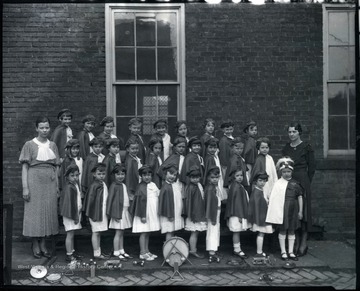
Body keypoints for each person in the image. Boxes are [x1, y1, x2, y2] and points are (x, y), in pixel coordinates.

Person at [20, 116, 61, 258]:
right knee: (35, 213)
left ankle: (43, 243)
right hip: (34, 181)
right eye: (42, 127)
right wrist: (25, 187)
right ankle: (35, 244)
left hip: (49, 183)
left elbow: (56, 168)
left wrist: (57, 186)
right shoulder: (29, 145)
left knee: (48, 212)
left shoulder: (53, 145)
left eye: (47, 127)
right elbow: (25, 168)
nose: (44, 130)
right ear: (36, 128)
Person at [281, 122, 315, 256]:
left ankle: (303, 242)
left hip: (303, 179)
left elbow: (312, 167)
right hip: (290, 180)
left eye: (294, 132)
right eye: (289, 132)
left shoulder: (306, 147)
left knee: (304, 210)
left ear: (299, 133)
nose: (291, 134)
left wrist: (306, 182)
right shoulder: (286, 148)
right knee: (292, 208)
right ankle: (294, 240)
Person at [266, 158, 303, 261]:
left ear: (292, 172)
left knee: (292, 230)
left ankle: (291, 251)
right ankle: (283, 251)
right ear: (281, 172)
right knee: (283, 230)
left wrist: (300, 211)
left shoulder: (295, 184)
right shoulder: (278, 184)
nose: (286, 174)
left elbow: (300, 197)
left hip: (293, 209)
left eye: (288, 171)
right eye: (284, 172)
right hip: (283, 210)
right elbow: (274, 199)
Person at [130, 165, 160, 261]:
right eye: (145, 175)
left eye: (149, 175)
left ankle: (147, 251)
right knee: (143, 232)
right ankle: (142, 252)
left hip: (151, 213)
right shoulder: (141, 187)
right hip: (144, 213)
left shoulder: (153, 185)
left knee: (148, 232)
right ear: (141, 176)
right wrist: (142, 216)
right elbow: (140, 203)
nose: (147, 177)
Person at [83, 163, 110, 259]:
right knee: (95, 232)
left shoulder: (103, 184)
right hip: (95, 213)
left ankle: (98, 251)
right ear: (94, 174)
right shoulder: (94, 186)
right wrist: (92, 214)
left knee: (99, 232)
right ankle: (96, 252)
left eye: (103, 174)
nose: (101, 176)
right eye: (99, 174)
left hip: (102, 212)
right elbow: (90, 201)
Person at [106, 164, 132, 260]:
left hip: (124, 212)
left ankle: (121, 250)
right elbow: (110, 201)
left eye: (122, 174)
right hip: (118, 213)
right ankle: (116, 252)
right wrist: (113, 214)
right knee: (118, 233)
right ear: (114, 175)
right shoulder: (114, 186)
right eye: (118, 174)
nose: (120, 176)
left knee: (122, 232)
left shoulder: (123, 185)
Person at [224, 168, 250, 259]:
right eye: (237, 176)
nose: (240, 177)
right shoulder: (235, 187)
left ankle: (237, 248)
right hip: (236, 214)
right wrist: (239, 215)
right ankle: (237, 249)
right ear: (233, 177)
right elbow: (236, 203)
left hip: (238, 213)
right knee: (236, 232)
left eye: (241, 175)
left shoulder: (239, 186)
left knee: (237, 232)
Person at [60, 164, 84, 262]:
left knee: (72, 234)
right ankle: (69, 254)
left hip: (75, 213)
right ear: (67, 176)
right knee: (69, 234)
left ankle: (72, 251)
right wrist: (75, 216)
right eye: (72, 175)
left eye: (77, 175)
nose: (75, 178)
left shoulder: (75, 185)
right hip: (70, 215)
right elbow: (70, 204)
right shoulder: (69, 187)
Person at [247, 172, 274, 259]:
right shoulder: (256, 192)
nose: (262, 183)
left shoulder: (260, 191)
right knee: (261, 233)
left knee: (261, 233)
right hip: (260, 217)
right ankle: (259, 252)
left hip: (262, 215)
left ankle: (260, 250)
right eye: (260, 180)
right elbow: (254, 206)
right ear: (255, 181)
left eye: (264, 181)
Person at [183, 166, 207, 259]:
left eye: (197, 177)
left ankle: (193, 249)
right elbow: (188, 202)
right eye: (193, 177)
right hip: (194, 214)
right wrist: (191, 214)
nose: (195, 179)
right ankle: (193, 250)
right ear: (190, 178)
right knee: (194, 232)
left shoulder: (199, 185)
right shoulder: (190, 188)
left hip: (199, 211)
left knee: (196, 232)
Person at [158, 164, 184, 241]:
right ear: (166, 174)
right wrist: (169, 215)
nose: (172, 176)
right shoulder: (165, 187)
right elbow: (165, 203)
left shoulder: (174, 185)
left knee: (172, 231)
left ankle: (171, 247)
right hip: (169, 214)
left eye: (174, 175)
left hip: (175, 212)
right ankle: (168, 248)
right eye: (170, 174)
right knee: (169, 231)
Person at [204, 166, 222, 262]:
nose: (215, 179)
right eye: (212, 178)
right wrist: (213, 217)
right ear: (208, 178)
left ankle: (214, 249)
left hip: (216, 212)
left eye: (216, 177)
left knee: (215, 231)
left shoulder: (214, 187)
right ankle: (211, 252)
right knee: (212, 231)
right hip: (213, 213)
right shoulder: (210, 189)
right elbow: (210, 205)